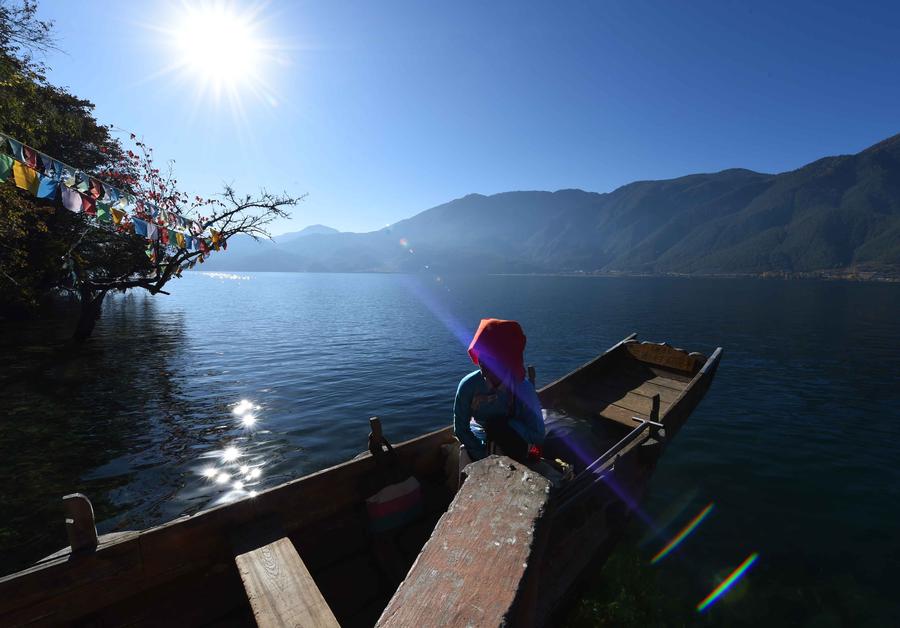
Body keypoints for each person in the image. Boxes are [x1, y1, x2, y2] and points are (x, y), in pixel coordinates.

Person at [453, 318, 545, 464]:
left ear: (507, 361)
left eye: (490, 358)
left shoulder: (523, 389)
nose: (482, 362)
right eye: (481, 355)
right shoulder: (468, 386)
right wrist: (483, 455)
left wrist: (505, 428)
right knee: (465, 454)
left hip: (514, 439)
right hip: (480, 441)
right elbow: (461, 428)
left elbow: (538, 435)